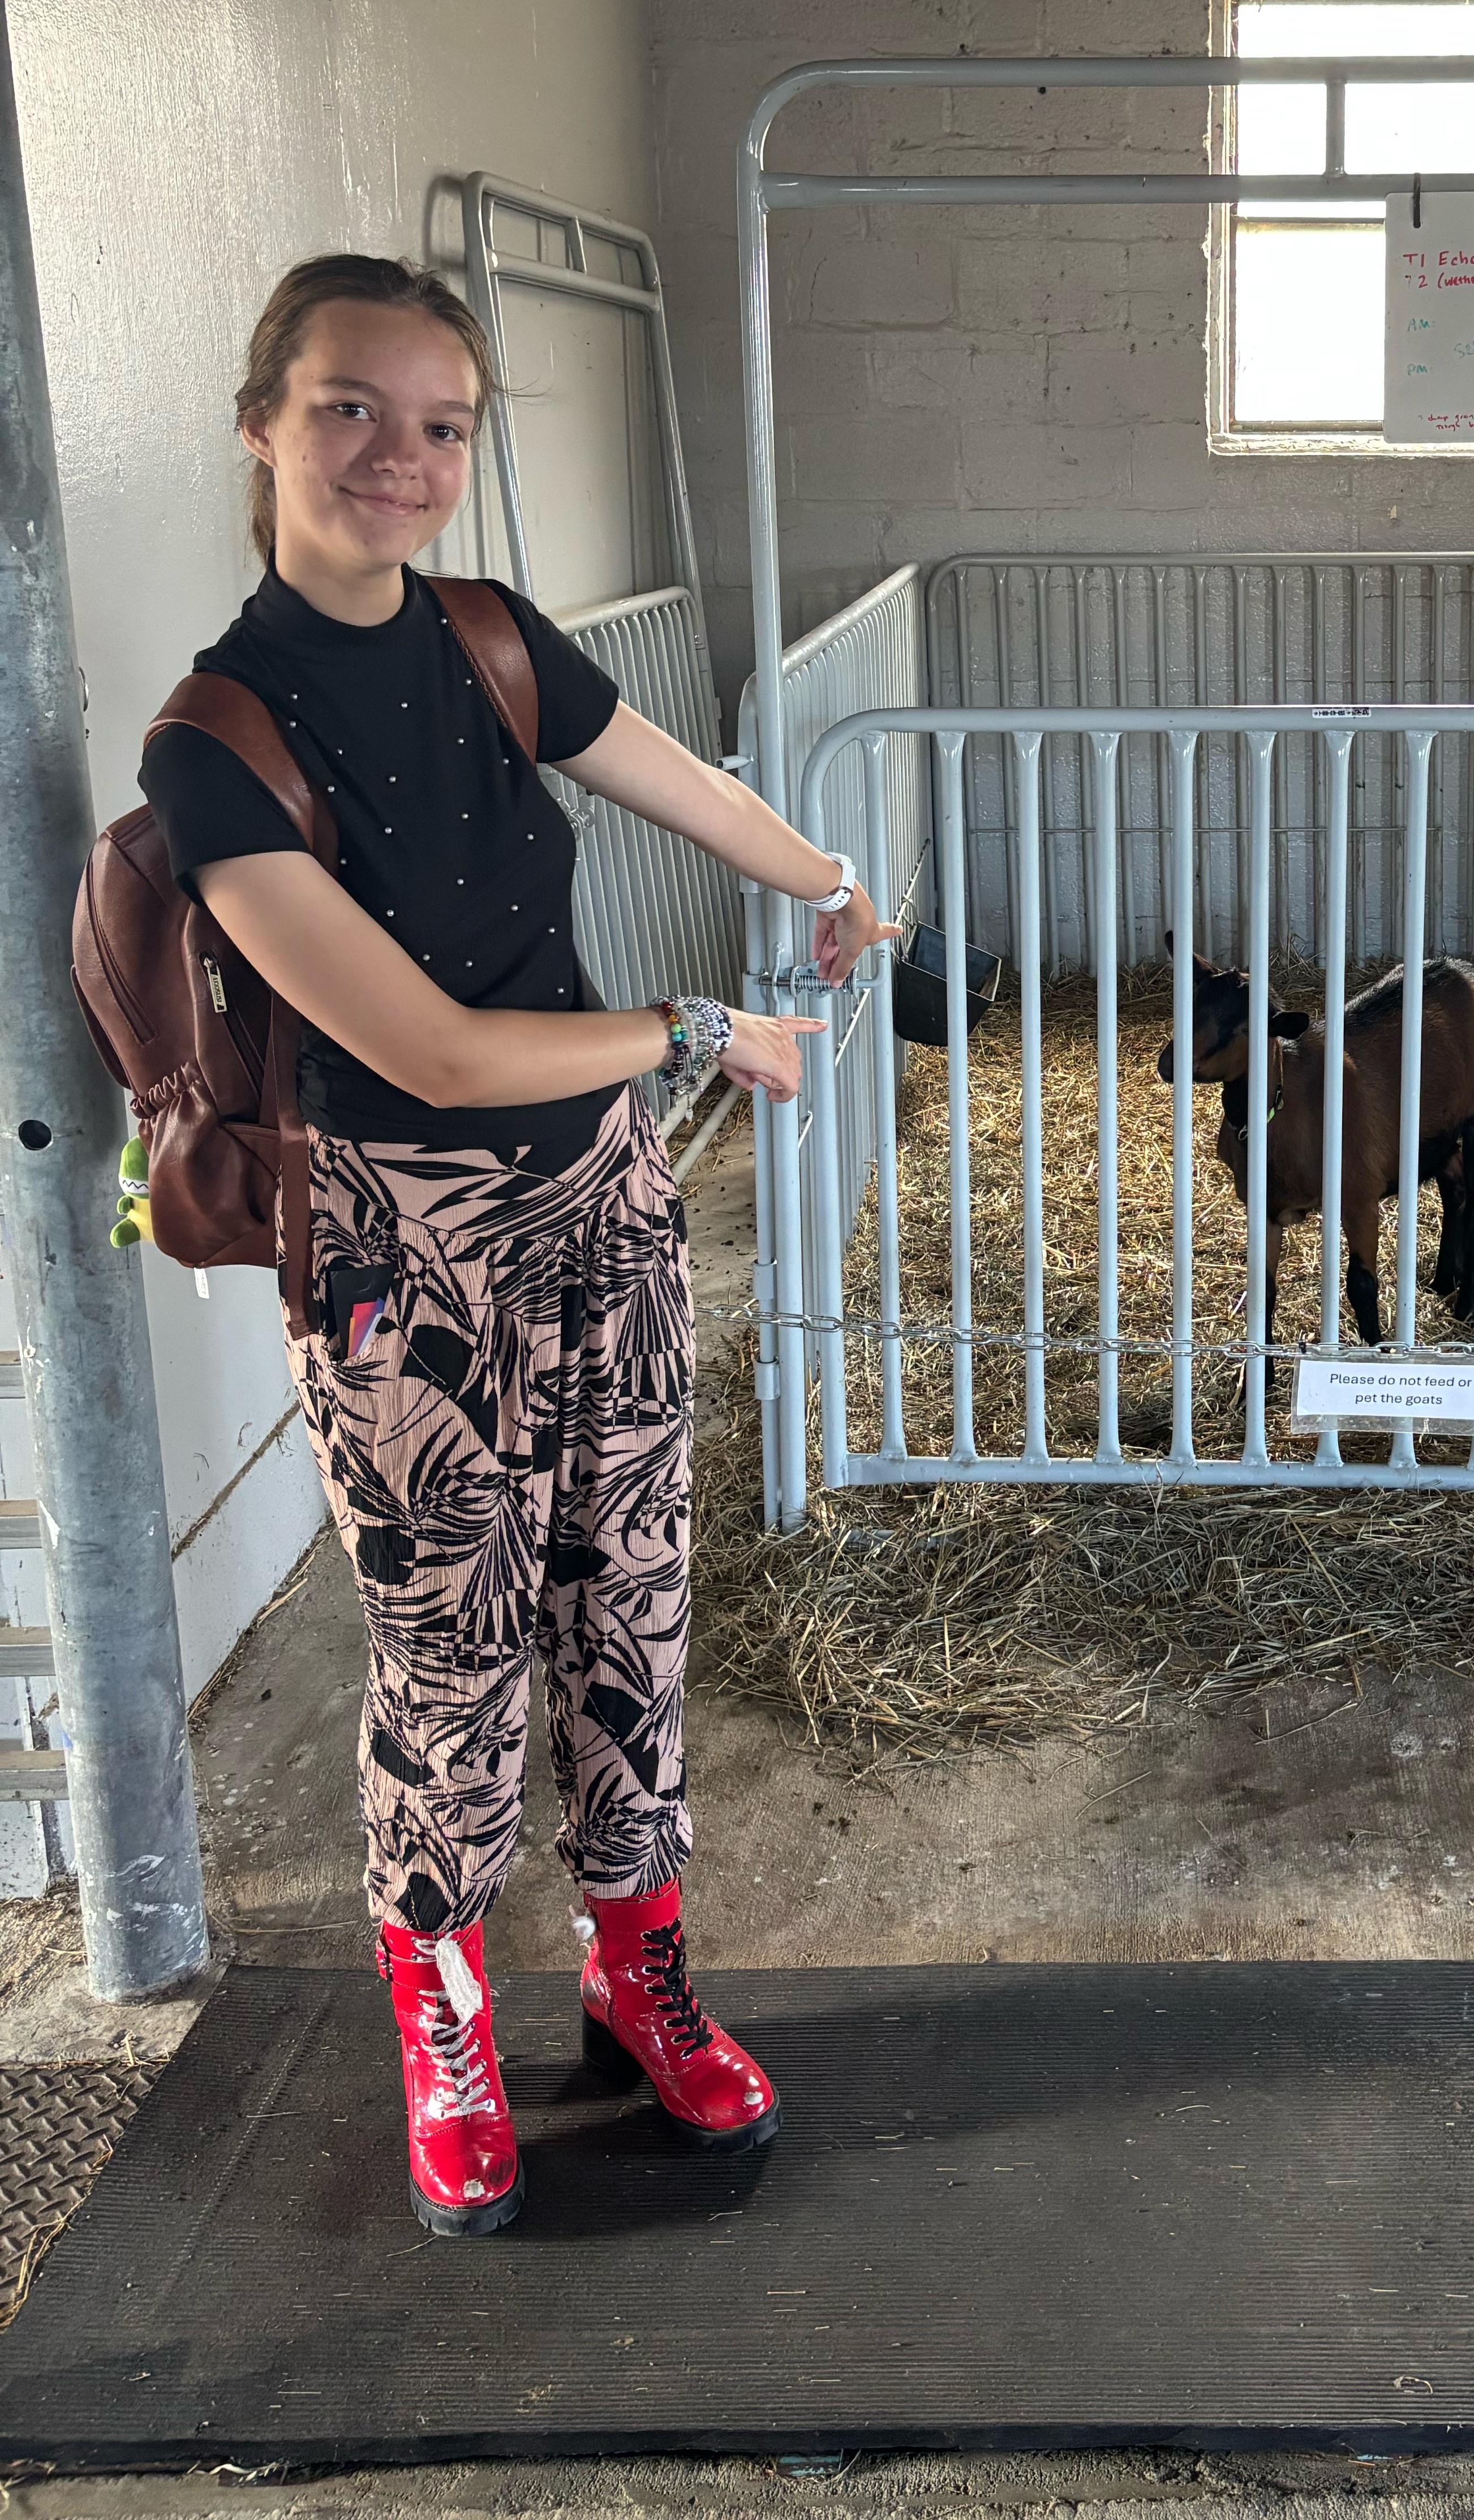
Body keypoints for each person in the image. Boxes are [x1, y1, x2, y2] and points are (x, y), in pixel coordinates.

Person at [137, 253, 893, 2239]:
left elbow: (680, 781)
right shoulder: (213, 740)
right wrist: (707, 1033)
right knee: (449, 1645)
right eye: (349, 411)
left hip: (604, 1209)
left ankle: (638, 1972)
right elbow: (430, 1048)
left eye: (441, 423)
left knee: (629, 1602)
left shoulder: (484, 637)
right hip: (406, 1239)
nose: (399, 458)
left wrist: (828, 881)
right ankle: (447, 2016)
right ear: (260, 422)